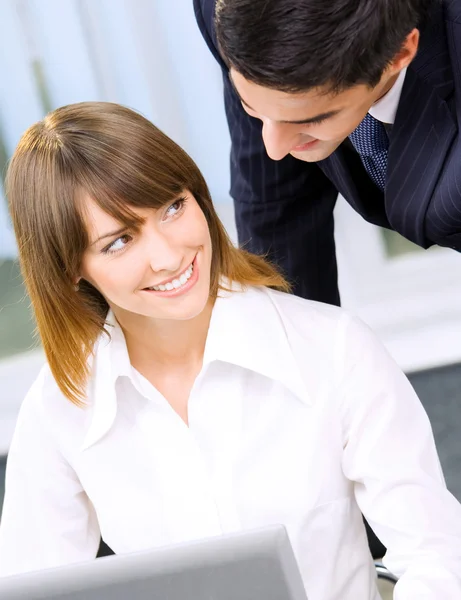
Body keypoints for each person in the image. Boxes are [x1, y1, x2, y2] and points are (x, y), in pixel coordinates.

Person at [0, 102, 460, 599]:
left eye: (173, 207)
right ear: (71, 268)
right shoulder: (61, 407)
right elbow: (31, 587)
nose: (169, 255)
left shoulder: (333, 349)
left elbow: (439, 556)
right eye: (119, 242)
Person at [193, 0, 461, 305]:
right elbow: (276, 208)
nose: (274, 148)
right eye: (252, 108)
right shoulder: (230, 13)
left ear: (399, 53)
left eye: (311, 120)